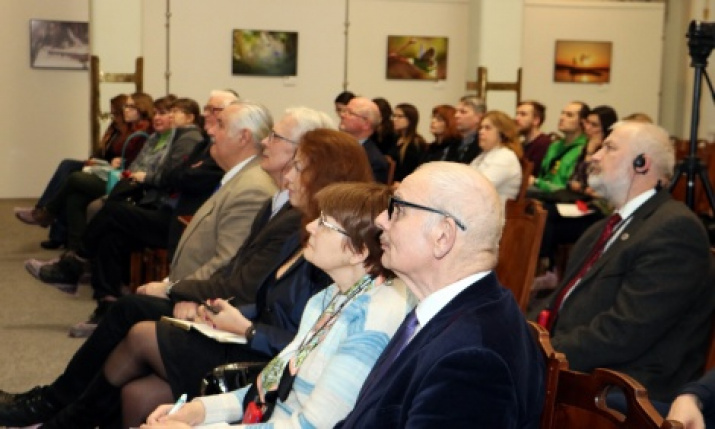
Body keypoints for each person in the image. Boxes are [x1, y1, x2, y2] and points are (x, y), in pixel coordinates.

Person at [0, 128, 376, 429]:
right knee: (139, 393)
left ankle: (60, 415)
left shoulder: (330, 256)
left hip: (259, 355)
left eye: (299, 167)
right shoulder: (306, 234)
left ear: (324, 175)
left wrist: (242, 328)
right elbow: (258, 294)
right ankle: (59, 411)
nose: (288, 175)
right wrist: (211, 313)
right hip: (248, 339)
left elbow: (303, 344)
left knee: (139, 331)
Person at [138, 183, 411, 429]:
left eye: (325, 224)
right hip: (270, 420)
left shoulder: (373, 320)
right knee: (148, 400)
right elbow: (268, 385)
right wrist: (196, 411)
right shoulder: (329, 297)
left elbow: (311, 427)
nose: (309, 227)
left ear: (358, 251)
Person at [336, 162, 545, 427]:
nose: (380, 219)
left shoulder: (474, 361)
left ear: (442, 236)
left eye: (397, 210)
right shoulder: (449, 310)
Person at [537, 122, 713, 402]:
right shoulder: (604, 227)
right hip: (582, 365)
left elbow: (623, 334)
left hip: (627, 387)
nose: (594, 156)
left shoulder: (674, 228)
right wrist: (519, 333)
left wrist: (541, 354)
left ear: (642, 163)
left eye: (609, 147)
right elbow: (557, 302)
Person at [15, 92, 154, 253]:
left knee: (74, 177)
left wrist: (118, 163)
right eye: (125, 107)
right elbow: (106, 152)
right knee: (75, 197)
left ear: (141, 108)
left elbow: (138, 163)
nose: (125, 111)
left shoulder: (143, 132)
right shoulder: (124, 129)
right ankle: (76, 253)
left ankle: (47, 213)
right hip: (113, 174)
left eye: (130, 107)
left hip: (123, 183)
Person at [528, 101, 589, 193]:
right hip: (543, 194)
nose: (562, 118)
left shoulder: (585, 150)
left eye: (569, 115)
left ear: (582, 122)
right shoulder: (554, 146)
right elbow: (544, 174)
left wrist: (536, 182)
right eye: (562, 113)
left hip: (564, 200)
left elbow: (567, 187)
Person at [469, 110, 523, 202]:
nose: (481, 132)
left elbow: (480, 187)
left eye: (487, 128)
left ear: (502, 133)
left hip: (493, 212)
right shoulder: (485, 154)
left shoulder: (505, 157)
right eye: (481, 128)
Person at [339, 96, 389, 183]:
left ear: (366, 124)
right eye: (344, 111)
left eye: (350, 113)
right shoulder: (337, 148)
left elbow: (368, 195)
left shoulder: (374, 161)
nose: (342, 115)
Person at [388, 103, 426, 183]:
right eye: (394, 116)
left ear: (410, 119)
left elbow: (413, 170)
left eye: (400, 116)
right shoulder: (395, 138)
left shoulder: (415, 143)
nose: (395, 119)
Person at [515, 100, 551, 176]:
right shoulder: (521, 145)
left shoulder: (544, 144)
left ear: (536, 120)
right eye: (517, 114)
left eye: (523, 114)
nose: (517, 118)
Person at [446, 95, 485, 164]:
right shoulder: (454, 142)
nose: (456, 115)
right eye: (456, 111)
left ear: (478, 117)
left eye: (463, 112)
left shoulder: (482, 143)